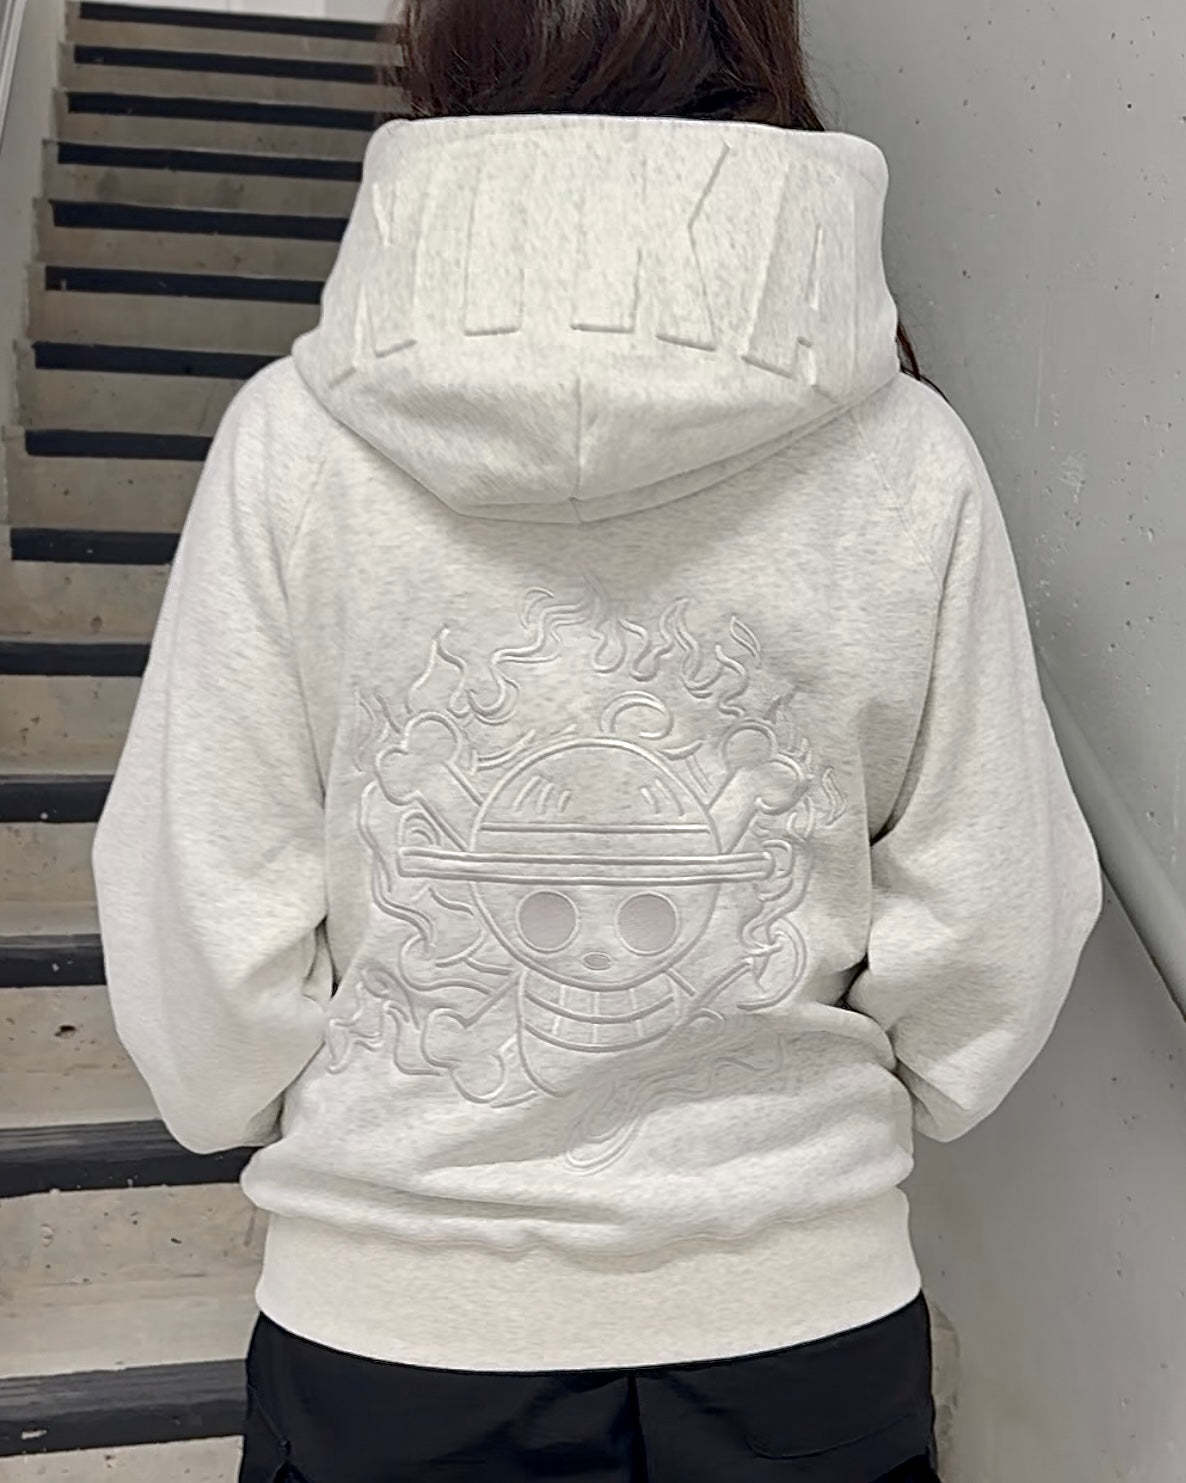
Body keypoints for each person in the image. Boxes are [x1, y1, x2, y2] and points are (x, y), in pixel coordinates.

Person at [89, 2, 1104, 1479]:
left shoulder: (292, 446)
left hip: (397, 1331)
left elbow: (200, 915)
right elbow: (997, 904)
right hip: (797, 1323)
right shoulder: (903, 455)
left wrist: (291, 1097)